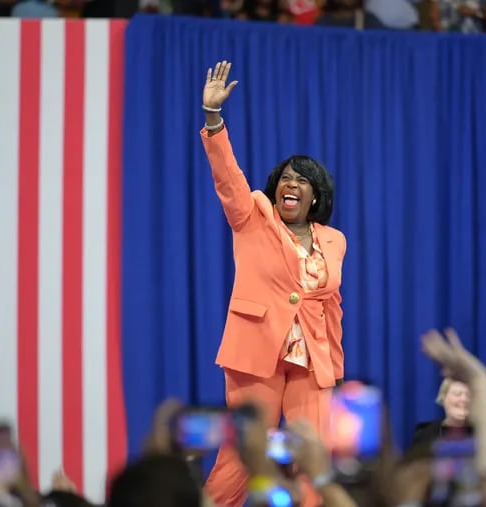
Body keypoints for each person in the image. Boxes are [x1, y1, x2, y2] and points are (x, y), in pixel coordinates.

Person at [199, 61, 347, 507]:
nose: (291, 184)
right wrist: (213, 119)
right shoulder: (253, 217)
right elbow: (228, 182)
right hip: (256, 352)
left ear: (315, 196)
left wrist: (332, 360)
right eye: (286, 177)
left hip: (312, 359)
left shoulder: (334, 240)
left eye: (301, 181)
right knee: (244, 454)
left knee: (312, 455)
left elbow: (329, 302)